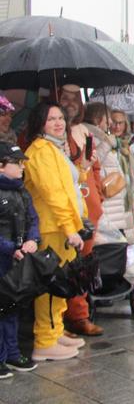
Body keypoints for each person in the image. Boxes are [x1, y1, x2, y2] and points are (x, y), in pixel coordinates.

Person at [24, 103, 87, 361]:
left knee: (60, 284)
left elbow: (67, 184)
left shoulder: (53, 148)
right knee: (50, 285)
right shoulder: (40, 151)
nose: (58, 123)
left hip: (63, 226)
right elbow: (53, 194)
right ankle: (45, 340)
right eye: (51, 119)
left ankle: (55, 330)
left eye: (60, 118)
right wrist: (69, 228)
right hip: (52, 227)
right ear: (41, 122)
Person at [55, 84, 104, 337]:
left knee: (84, 264)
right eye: (65, 98)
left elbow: (93, 168)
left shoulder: (84, 132)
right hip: (64, 210)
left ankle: (79, 314)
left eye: (75, 98)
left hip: (87, 207)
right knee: (65, 264)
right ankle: (69, 317)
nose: (70, 103)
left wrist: (99, 196)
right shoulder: (46, 136)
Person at [83, 103, 134, 278]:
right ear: (98, 119)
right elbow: (94, 161)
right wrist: (107, 144)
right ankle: (119, 268)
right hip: (109, 193)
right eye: (109, 119)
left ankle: (127, 264)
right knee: (115, 235)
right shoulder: (93, 136)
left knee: (123, 231)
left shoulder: (111, 138)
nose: (112, 124)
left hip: (122, 191)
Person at [0, 142, 40, 377]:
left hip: (18, 258)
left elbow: (32, 219)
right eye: (17, 163)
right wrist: (10, 248)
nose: (22, 167)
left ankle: (13, 354)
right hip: (4, 257)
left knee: (13, 306)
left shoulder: (22, 191)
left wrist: (33, 240)